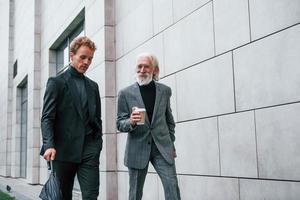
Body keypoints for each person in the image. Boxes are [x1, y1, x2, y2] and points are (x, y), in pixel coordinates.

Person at [40, 36, 103, 200]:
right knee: (62, 196)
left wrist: (97, 144)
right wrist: (49, 144)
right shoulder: (56, 83)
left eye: (90, 58)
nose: (87, 62)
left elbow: (97, 119)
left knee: (91, 195)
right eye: (83, 57)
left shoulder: (93, 86)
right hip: (63, 150)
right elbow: (47, 117)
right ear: (71, 56)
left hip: (89, 149)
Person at [116, 53, 181, 200]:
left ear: (154, 70)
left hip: (162, 148)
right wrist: (131, 121)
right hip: (137, 149)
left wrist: (171, 144)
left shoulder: (164, 91)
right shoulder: (125, 93)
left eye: (146, 66)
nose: (142, 70)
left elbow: (169, 120)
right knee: (135, 194)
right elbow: (119, 123)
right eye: (139, 66)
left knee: (172, 186)